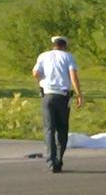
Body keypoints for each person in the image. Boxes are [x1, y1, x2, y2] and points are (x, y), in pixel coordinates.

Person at [32, 36, 83, 173]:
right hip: (62, 96)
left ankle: (51, 162)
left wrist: (42, 81)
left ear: (53, 45)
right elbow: (73, 75)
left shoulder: (43, 56)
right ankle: (59, 160)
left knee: (49, 129)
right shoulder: (68, 57)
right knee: (62, 129)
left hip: (47, 95)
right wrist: (79, 94)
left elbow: (36, 72)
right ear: (64, 46)